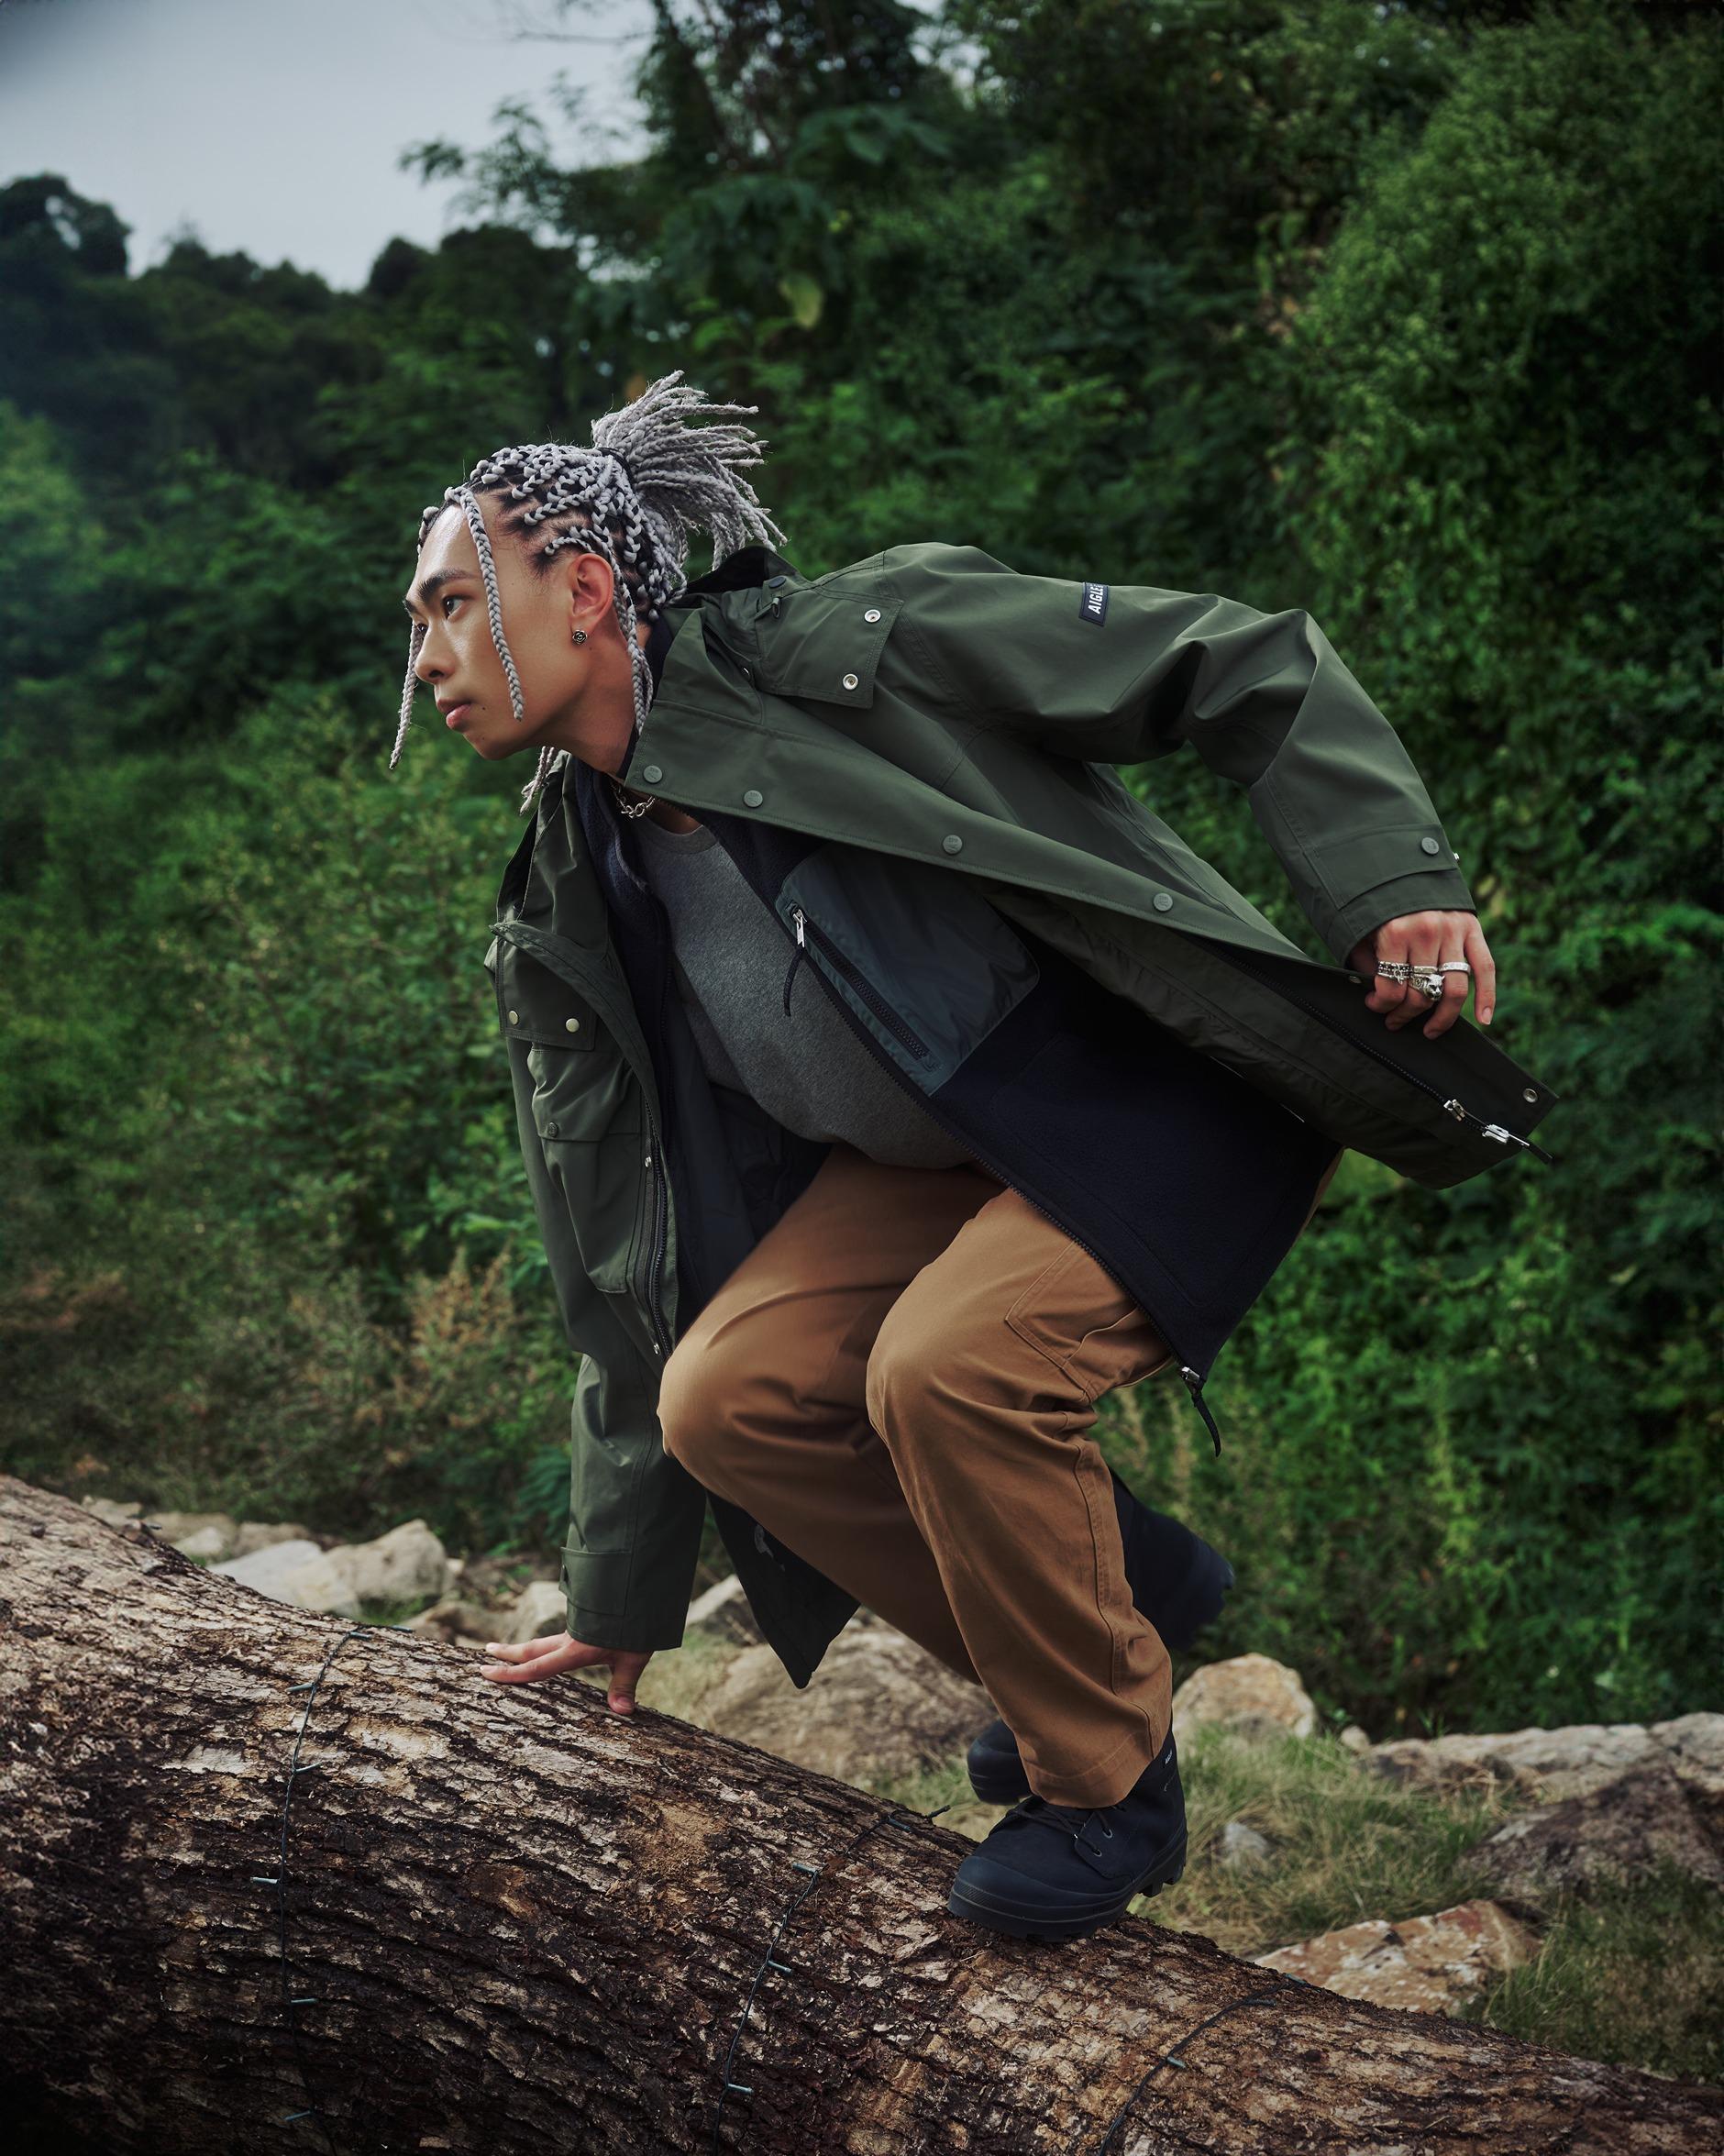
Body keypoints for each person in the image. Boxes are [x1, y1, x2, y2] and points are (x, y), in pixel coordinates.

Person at [392, 372, 1533, 1943]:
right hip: (912, 1166)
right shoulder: (566, 890)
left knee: (945, 1367)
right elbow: (617, 1258)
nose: (426, 657)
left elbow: (1240, 658)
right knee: (725, 1396)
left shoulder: (850, 642)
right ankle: (1096, 1625)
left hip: (1129, 1092)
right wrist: (618, 1600)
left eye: (451, 606)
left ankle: (1107, 1788)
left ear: (583, 591)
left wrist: (1390, 884)